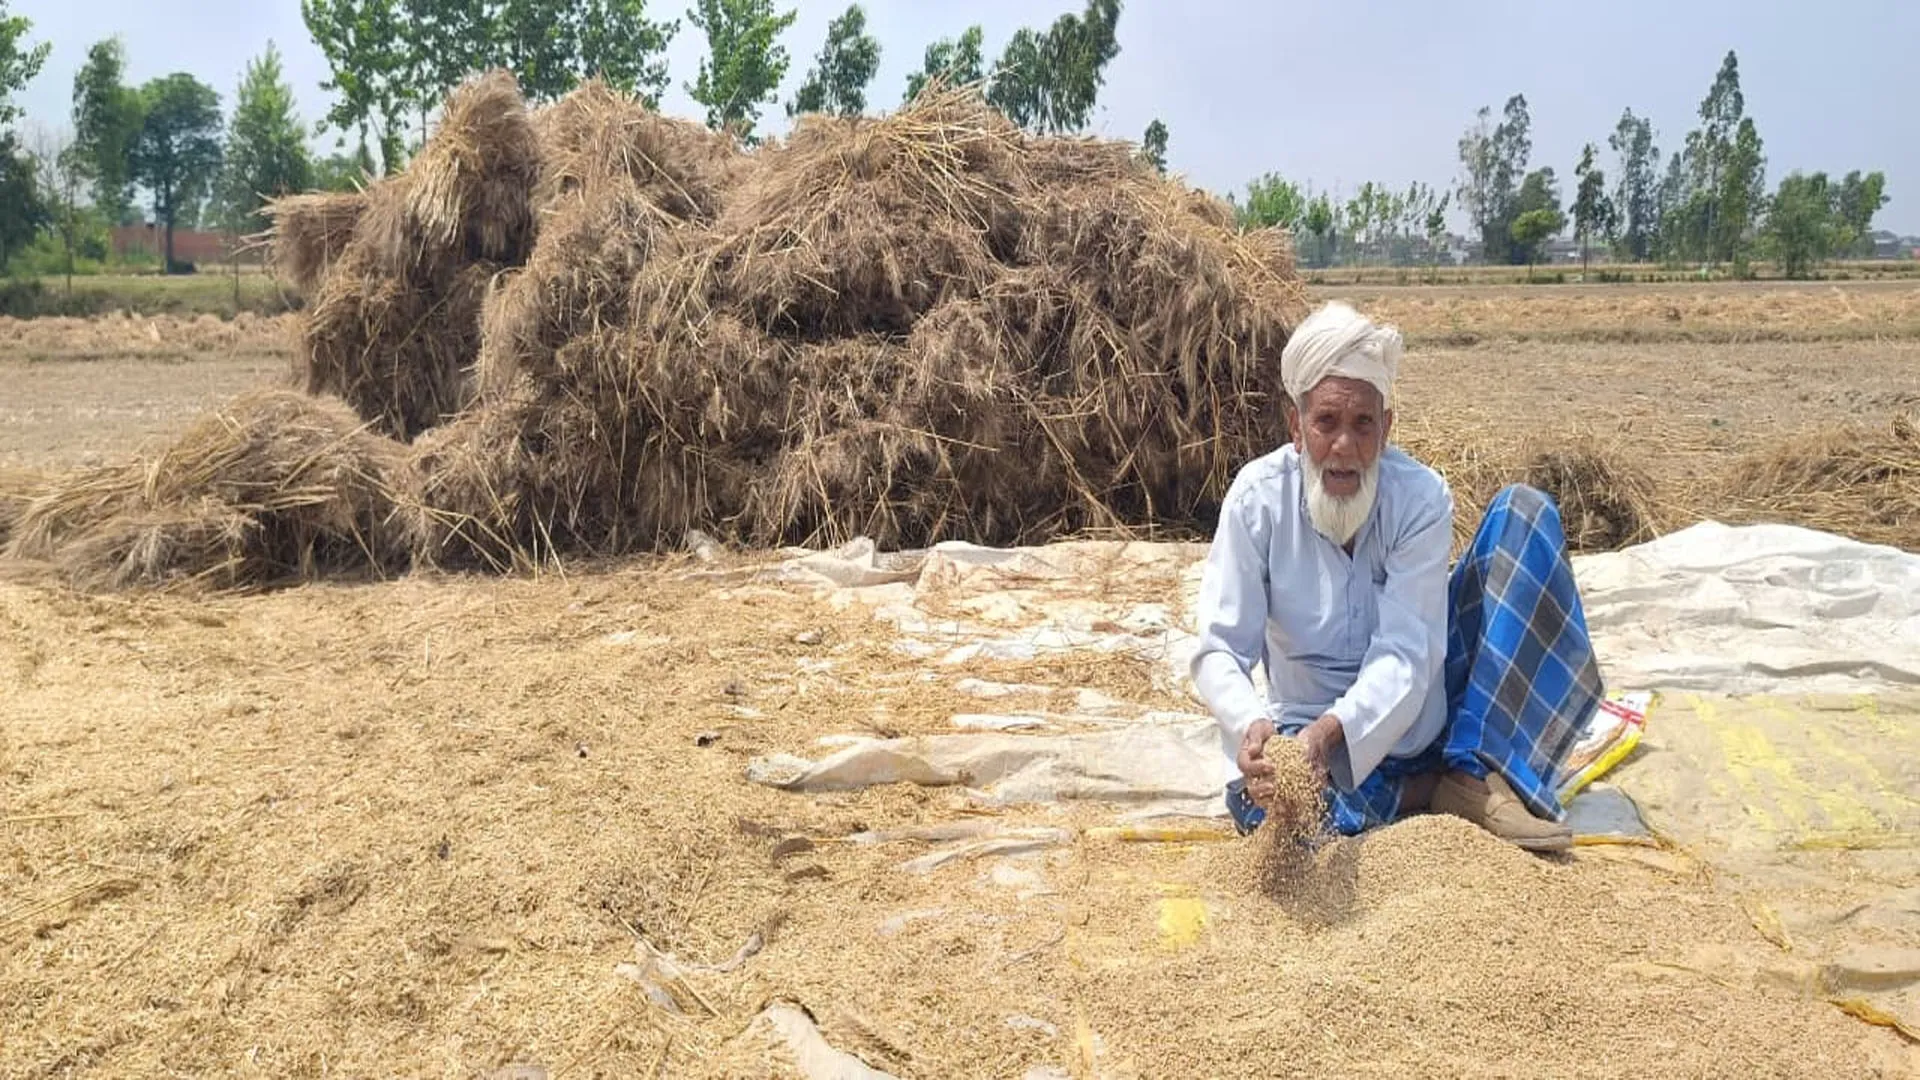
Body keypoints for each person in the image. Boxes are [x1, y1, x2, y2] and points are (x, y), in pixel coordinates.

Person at [1189, 300, 1604, 851]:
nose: (1345, 447)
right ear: (1296, 426)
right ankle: (1434, 792)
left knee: (1524, 515)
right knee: (1269, 809)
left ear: (1386, 428)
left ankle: (1471, 767)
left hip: (1422, 718)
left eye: (1364, 424)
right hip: (1304, 734)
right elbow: (1219, 648)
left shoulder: (1421, 497)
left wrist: (1334, 734)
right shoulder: (1256, 499)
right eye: (1326, 422)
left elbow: (1408, 652)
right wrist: (1252, 728)